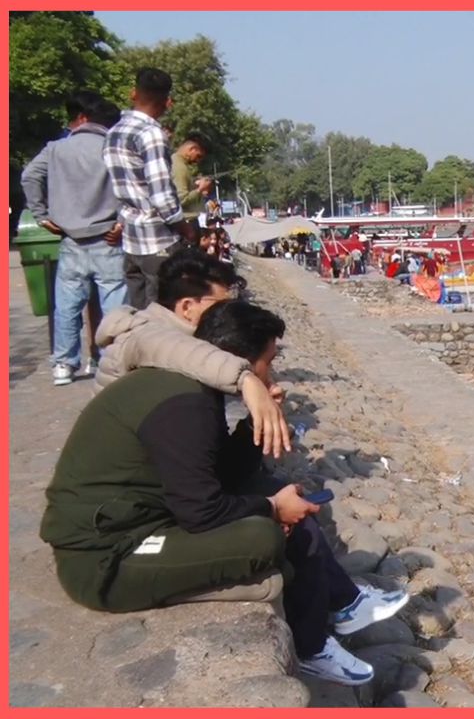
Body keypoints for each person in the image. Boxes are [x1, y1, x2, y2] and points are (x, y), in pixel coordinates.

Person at [40, 300, 409, 686]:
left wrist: (254, 427)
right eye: (269, 359)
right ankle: (311, 644)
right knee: (262, 538)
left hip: (142, 518)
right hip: (105, 556)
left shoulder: (192, 388)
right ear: (245, 363)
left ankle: (331, 616)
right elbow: (201, 510)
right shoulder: (186, 406)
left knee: (272, 496)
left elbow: (221, 475)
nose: (274, 370)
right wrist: (270, 509)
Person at [94, 248, 291, 458]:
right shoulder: (144, 334)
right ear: (187, 307)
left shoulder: (169, 334)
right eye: (220, 304)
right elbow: (175, 348)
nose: (226, 312)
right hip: (122, 462)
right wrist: (246, 380)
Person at [21, 91, 126, 386]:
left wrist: (41, 214)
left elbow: (29, 176)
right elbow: (130, 187)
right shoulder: (112, 148)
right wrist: (121, 222)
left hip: (70, 240)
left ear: (81, 118)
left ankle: (64, 365)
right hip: (108, 238)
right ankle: (110, 361)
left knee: (66, 307)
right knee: (114, 307)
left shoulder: (54, 149)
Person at [105, 68, 196, 309]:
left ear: (133, 93)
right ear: (168, 102)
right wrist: (183, 226)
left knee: (137, 312)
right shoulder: (151, 134)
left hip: (132, 240)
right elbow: (161, 195)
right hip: (158, 240)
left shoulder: (114, 132)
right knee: (161, 316)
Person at [171, 133, 213, 230]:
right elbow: (182, 200)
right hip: (187, 222)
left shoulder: (177, 163)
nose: (197, 161)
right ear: (192, 149)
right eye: (198, 156)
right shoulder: (180, 168)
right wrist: (200, 189)